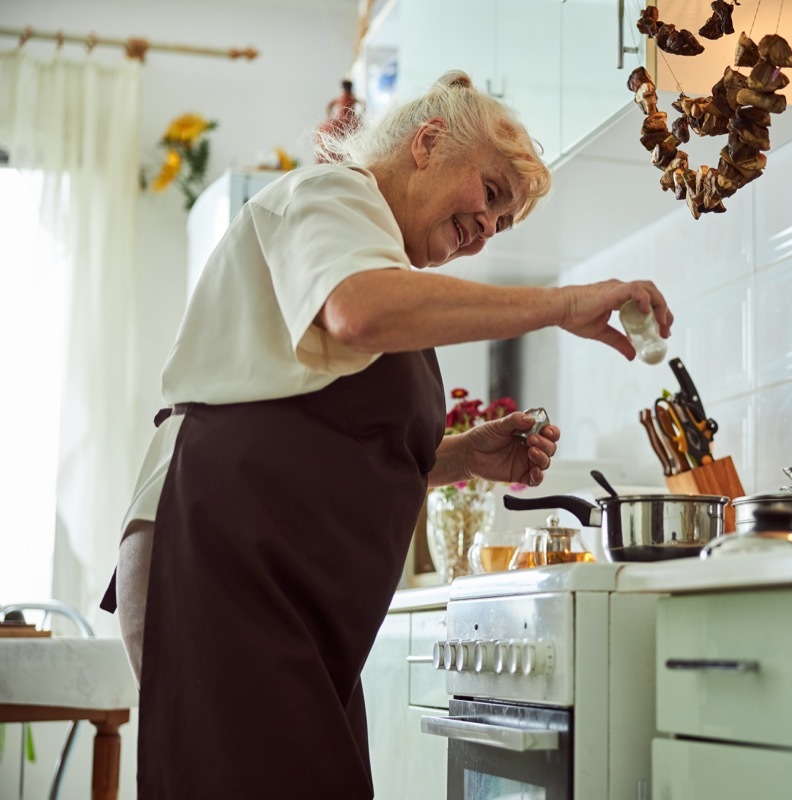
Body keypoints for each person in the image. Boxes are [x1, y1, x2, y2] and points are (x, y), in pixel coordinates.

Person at [101, 70, 673, 799]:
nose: (486, 230)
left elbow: (323, 436)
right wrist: (561, 304)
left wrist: (459, 456)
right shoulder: (334, 197)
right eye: (491, 194)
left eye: (502, 224)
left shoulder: (378, 260)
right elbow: (358, 313)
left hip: (278, 569)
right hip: (220, 547)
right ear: (427, 143)